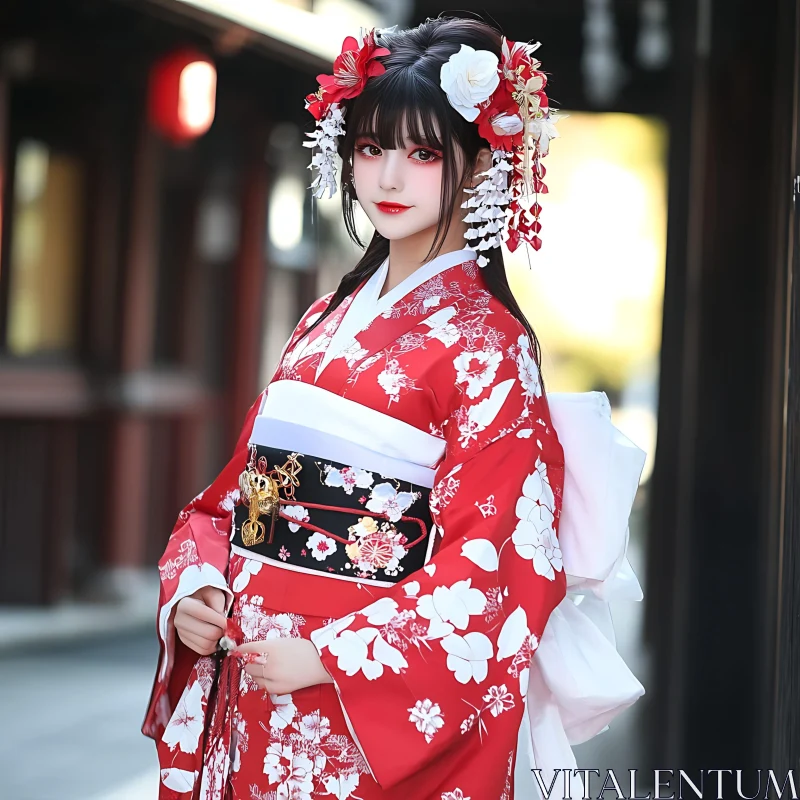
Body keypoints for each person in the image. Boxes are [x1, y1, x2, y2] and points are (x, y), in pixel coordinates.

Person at [142, 16, 647, 800]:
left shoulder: (488, 346)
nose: (387, 178)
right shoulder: (322, 323)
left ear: (480, 166)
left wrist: (331, 659)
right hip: (252, 688)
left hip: (356, 715)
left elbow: (502, 565)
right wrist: (198, 592)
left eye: (422, 154)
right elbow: (234, 500)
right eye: (372, 148)